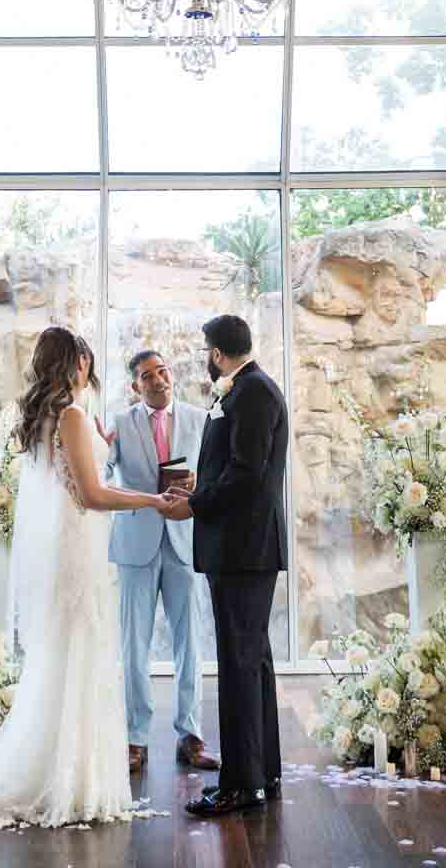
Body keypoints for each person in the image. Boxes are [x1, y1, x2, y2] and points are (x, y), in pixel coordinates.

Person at [0, 327, 173, 831]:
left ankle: (66, 770)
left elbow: (72, 477)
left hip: (69, 552)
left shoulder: (49, 417)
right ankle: (72, 779)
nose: (88, 365)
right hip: (77, 557)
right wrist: (153, 501)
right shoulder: (70, 415)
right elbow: (91, 496)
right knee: (80, 656)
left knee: (66, 661)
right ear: (76, 364)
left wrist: (101, 446)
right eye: (84, 358)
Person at [164, 313, 289, 818]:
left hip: (243, 552)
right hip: (242, 549)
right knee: (251, 661)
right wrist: (200, 485)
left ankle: (241, 785)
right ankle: (263, 774)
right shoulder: (245, 391)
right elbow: (236, 469)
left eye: (205, 350)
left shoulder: (253, 392)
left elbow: (247, 475)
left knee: (241, 665)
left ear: (216, 353)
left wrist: (194, 505)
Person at [107, 348, 218, 775]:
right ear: (136, 386)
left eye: (162, 371)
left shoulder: (199, 420)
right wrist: (99, 450)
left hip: (185, 542)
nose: (158, 380)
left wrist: (199, 481)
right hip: (136, 544)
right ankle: (135, 738)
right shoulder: (118, 424)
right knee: (133, 645)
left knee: (190, 642)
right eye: (147, 376)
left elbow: (216, 474)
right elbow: (101, 472)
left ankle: (190, 735)